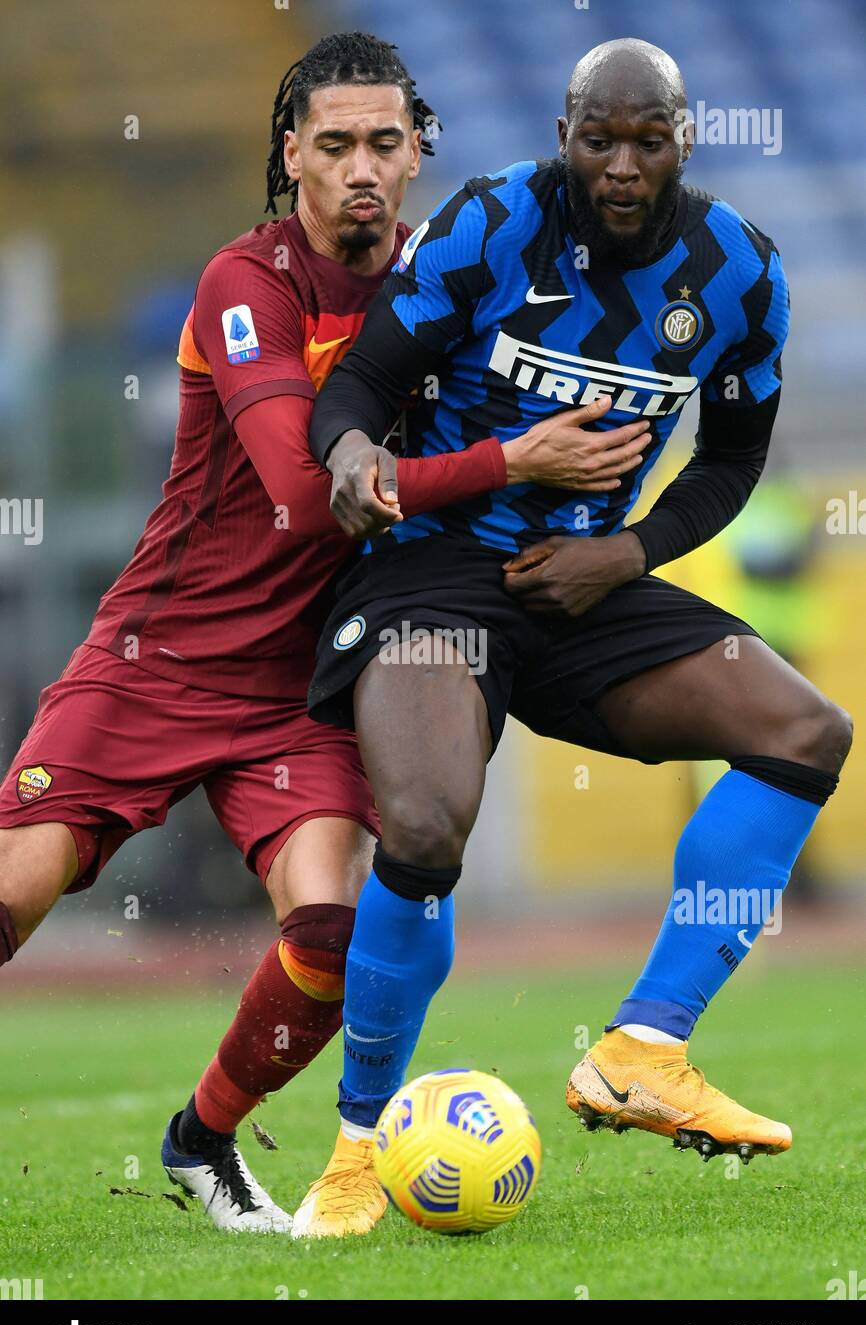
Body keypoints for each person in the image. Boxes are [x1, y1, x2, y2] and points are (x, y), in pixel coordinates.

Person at [0, 32, 606, 1232]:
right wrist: (506, 458)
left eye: (385, 141)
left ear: (418, 152)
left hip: (309, 681)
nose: (361, 167)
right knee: (15, 891)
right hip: (161, 655)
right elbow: (296, 490)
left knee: (330, 934)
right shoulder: (247, 280)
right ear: (292, 157)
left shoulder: (447, 287)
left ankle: (202, 1140)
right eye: (334, 145)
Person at [294, 38, 852, 1238]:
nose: (618, 164)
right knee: (430, 830)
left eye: (645, 140)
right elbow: (354, 390)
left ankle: (642, 1048)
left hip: (584, 583)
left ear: (682, 140)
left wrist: (629, 554)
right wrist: (348, 455)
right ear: (562, 132)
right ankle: (354, 1144)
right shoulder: (494, 225)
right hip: (435, 579)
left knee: (803, 729)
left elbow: (734, 457)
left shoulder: (739, 273)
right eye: (596, 138)